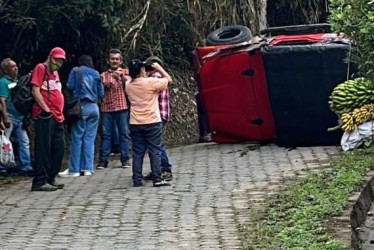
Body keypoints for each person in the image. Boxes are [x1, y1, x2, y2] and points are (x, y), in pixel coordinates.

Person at [126, 59, 172, 187]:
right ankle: (157, 178)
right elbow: (169, 80)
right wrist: (159, 68)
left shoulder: (128, 85)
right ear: (141, 70)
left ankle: (137, 179)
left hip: (135, 122)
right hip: (152, 120)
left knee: (138, 152)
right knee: (154, 150)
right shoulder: (151, 83)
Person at [59, 55, 104, 177]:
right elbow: (101, 93)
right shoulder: (96, 73)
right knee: (89, 139)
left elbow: (69, 86)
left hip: (80, 107)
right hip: (94, 108)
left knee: (77, 138)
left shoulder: (76, 70)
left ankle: (74, 169)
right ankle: (87, 168)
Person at [30, 47, 66, 191]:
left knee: (59, 147)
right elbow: (35, 89)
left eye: (61, 61)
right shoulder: (41, 68)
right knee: (43, 148)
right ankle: (39, 180)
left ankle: (50, 177)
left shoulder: (55, 73)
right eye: (56, 59)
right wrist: (45, 108)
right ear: (50, 57)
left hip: (57, 116)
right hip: (44, 115)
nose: (58, 63)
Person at [97, 49, 131, 169]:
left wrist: (121, 77)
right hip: (107, 108)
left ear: (120, 61)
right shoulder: (102, 75)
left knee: (124, 133)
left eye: (117, 59)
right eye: (112, 59)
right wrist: (106, 85)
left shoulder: (126, 73)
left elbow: (130, 86)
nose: (114, 61)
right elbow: (99, 90)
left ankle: (125, 159)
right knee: (106, 134)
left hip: (122, 107)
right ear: (108, 60)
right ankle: (103, 161)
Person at [0, 58, 33, 175]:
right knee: (4, 143)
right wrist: (5, 117)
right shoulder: (3, 82)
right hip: (10, 116)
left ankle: (26, 166)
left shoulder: (17, 82)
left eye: (16, 66)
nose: (16, 68)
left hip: (20, 117)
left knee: (24, 141)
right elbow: (2, 101)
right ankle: (3, 166)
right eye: (12, 66)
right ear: (5, 69)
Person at [143, 56, 172, 181]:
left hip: (157, 115)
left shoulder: (155, 78)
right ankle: (158, 169)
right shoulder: (160, 77)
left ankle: (165, 169)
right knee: (155, 143)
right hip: (161, 114)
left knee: (156, 144)